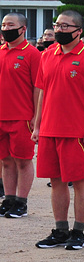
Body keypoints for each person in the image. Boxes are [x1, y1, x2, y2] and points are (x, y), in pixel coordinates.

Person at [32, 11, 84, 251]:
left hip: (76, 132)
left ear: (79, 31)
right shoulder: (48, 56)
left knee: (79, 180)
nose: (60, 30)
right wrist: (37, 124)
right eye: (57, 25)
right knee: (56, 181)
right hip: (50, 130)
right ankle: (60, 229)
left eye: (66, 26)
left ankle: (78, 231)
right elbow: (43, 92)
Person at [0, 13, 42, 219]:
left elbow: (38, 88)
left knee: (23, 160)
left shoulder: (32, 54)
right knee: (6, 161)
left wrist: (36, 116)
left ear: (23, 29)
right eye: (3, 25)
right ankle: (8, 198)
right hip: (1, 116)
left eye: (11, 25)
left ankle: (21, 202)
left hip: (22, 116)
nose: (6, 28)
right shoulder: (0, 52)